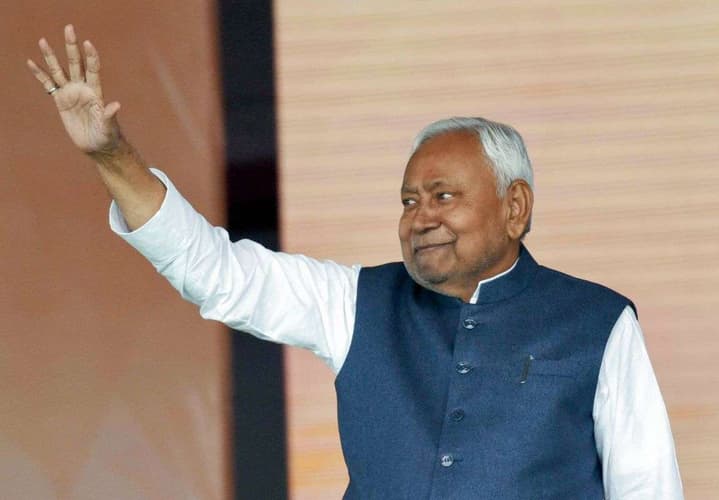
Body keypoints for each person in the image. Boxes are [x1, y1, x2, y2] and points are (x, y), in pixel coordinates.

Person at [28, 26, 684, 499]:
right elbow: (217, 272)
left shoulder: (598, 322)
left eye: (444, 197)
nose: (420, 217)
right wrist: (112, 156)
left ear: (515, 208)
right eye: (409, 201)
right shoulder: (354, 302)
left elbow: (648, 487)